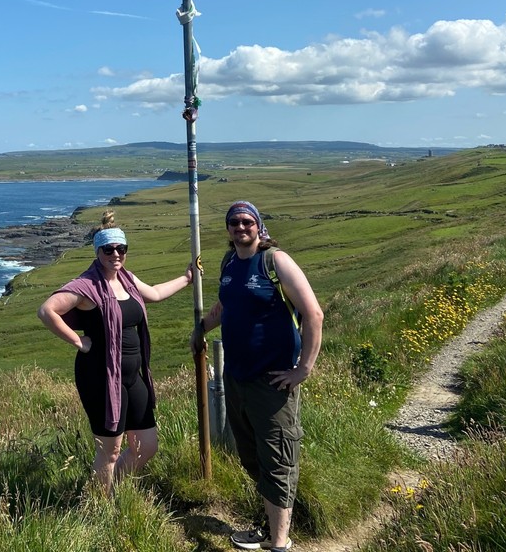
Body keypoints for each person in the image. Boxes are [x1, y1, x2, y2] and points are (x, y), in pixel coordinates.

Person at [192, 200, 323, 552]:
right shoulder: (230, 262)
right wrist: (202, 328)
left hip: (272, 380)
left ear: (258, 226)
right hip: (236, 376)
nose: (240, 227)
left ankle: (279, 543)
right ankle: (269, 527)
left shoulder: (275, 261)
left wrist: (303, 369)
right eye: (234, 222)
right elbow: (227, 305)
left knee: (277, 458)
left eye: (247, 221)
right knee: (251, 456)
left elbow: (314, 314)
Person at [38, 210, 192, 494]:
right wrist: (78, 342)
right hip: (101, 377)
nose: (116, 254)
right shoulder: (86, 286)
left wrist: (186, 279)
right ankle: (102, 508)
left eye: (121, 249)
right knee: (110, 451)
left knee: (147, 445)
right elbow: (47, 311)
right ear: (98, 251)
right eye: (108, 249)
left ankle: (111, 490)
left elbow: (155, 293)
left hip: (135, 375)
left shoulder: (128, 280)